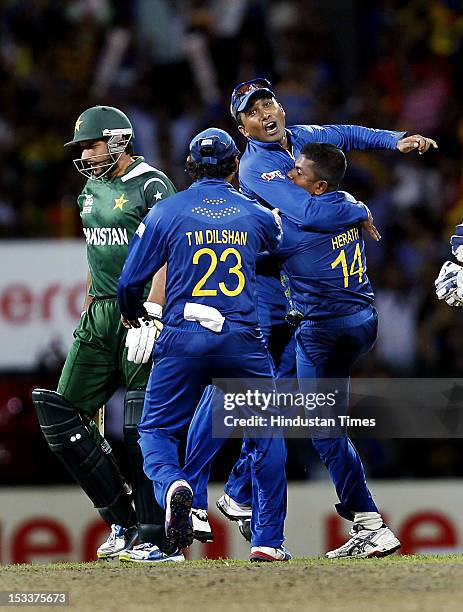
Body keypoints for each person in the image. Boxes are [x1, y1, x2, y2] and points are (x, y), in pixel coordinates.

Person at [183, 78, 437, 553]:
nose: (266, 113)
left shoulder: (303, 158)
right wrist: (357, 205)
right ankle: (241, 493)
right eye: (253, 111)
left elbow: (341, 146)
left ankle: (363, 521)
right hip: (352, 315)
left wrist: (392, 140)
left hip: (314, 321)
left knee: (274, 404)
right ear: (241, 127)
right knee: (272, 393)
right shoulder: (261, 166)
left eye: (269, 102)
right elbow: (313, 208)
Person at [117, 127, 290, 562]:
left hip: (183, 336)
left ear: (189, 167)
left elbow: (129, 281)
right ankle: (267, 542)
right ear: (235, 166)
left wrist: (133, 313)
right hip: (241, 339)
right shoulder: (256, 214)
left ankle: (177, 486)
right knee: (266, 435)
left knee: (156, 430)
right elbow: (277, 249)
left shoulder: (166, 212)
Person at [31, 105, 183, 564]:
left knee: (143, 428)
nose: (86, 154)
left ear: (118, 140)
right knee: (59, 416)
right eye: (82, 147)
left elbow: (172, 251)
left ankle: (159, 538)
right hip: (99, 315)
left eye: (92, 144)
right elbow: (98, 258)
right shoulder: (88, 191)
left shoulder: (152, 184)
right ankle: (123, 520)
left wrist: (155, 311)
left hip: (142, 314)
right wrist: (92, 306)